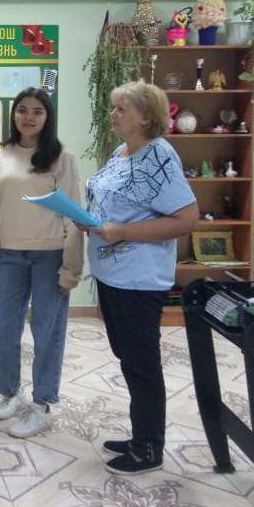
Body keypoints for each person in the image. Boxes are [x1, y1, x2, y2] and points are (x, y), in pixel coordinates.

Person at [85, 80, 198, 475]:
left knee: (142, 362)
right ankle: (139, 435)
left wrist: (124, 232)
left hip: (138, 279)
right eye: (113, 107)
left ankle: (149, 447)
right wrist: (89, 220)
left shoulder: (159, 156)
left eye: (122, 108)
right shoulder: (122, 152)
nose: (113, 114)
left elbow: (186, 218)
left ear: (147, 117)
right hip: (113, 275)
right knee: (128, 357)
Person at [0, 87, 82, 439]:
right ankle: (11, 392)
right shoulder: (3, 154)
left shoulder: (61, 157)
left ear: (47, 117)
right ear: (13, 114)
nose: (28, 117)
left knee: (47, 332)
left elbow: (74, 214)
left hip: (50, 255)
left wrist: (71, 267)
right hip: (11, 255)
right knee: (1, 328)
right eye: (22, 110)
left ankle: (42, 405)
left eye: (37, 111)